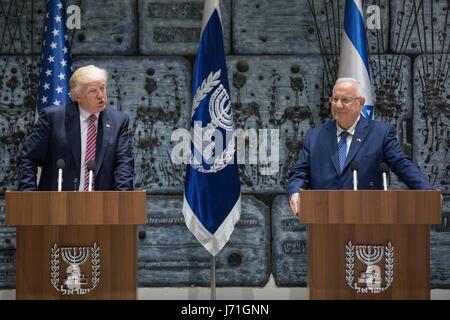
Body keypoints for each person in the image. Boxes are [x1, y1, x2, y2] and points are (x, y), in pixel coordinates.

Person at [287, 77, 434, 218]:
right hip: (323, 220)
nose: (338, 105)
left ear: (361, 102)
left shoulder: (380, 134)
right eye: (334, 99)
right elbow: (301, 171)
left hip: (369, 220)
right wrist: (295, 193)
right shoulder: (314, 136)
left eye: (345, 100)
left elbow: (401, 163)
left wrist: (426, 190)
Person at [17, 65, 133, 191]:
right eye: (93, 91)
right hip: (57, 203)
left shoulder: (119, 121)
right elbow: (28, 159)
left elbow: (124, 164)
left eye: (102, 88)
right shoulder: (53, 118)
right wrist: (29, 196)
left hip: (101, 205)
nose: (101, 95)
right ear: (77, 96)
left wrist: (123, 200)